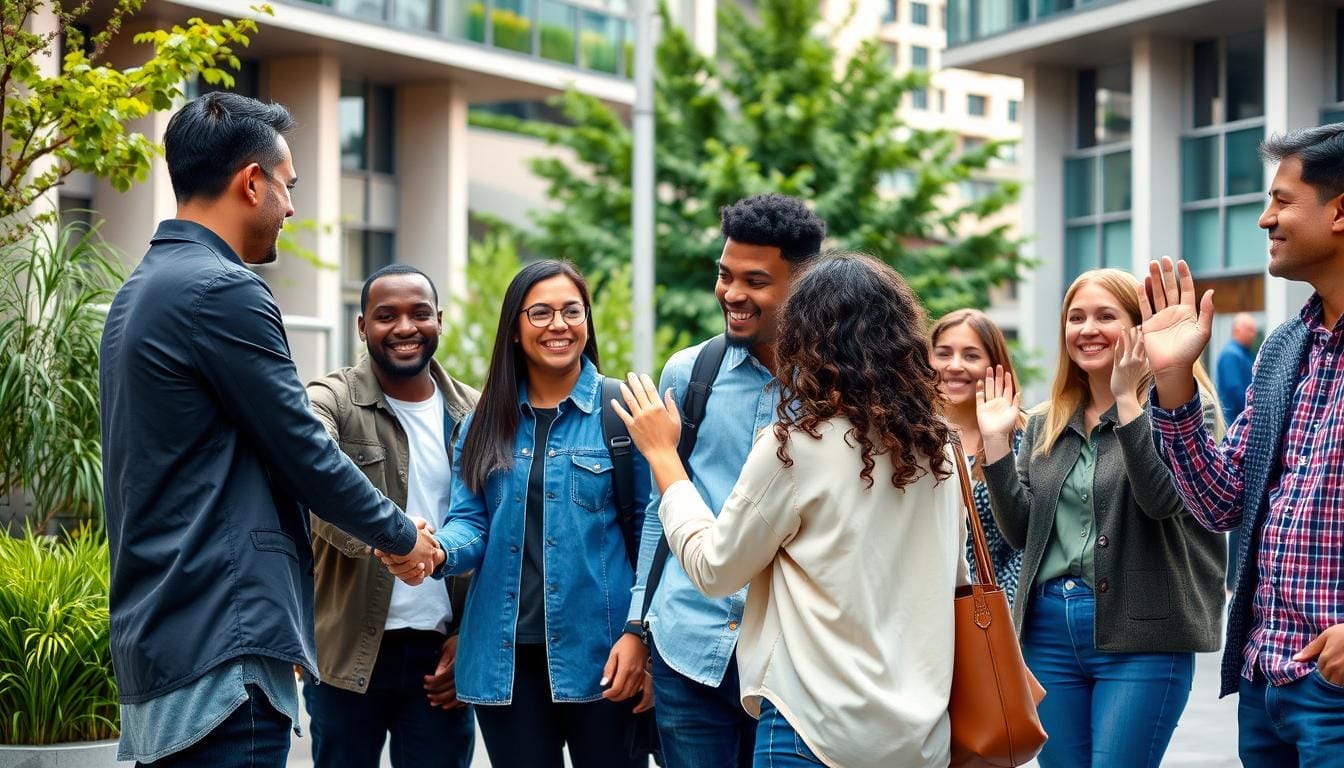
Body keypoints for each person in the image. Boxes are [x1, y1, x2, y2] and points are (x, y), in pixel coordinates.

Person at [99, 92, 441, 767]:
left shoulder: (142, 288)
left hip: (169, 635)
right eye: (287, 187)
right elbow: (302, 449)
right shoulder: (221, 288)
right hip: (222, 641)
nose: (290, 208)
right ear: (251, 181)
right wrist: (404, 538)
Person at [614, 253, 966, 767]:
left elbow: (715, 569)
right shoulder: (940, 448)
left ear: (807, 337)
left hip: (811, 730)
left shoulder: (797, 445)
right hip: (920, 737)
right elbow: (953, 579)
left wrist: (665, 460)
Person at [1139, 125, 1344, 765]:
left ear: (1339, 211)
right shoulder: (1285, 348)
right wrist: (1172, 383)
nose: (1265, 219)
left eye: (1282, 201)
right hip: (1267, 679)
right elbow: (1223, 502)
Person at [975, 268, 1225, 768]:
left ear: (1139, 328)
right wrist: (998, 444)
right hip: (1046, 630)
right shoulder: (1048, 421)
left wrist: (1129, 399)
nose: (1087, 329)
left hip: (1142, 631)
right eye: (1076, 318)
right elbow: (1022, 532)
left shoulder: (1183, 411)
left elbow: (1162, 500)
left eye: (1105, 316)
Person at [627, 193, 827, 767]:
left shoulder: (836, 392)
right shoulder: (691, 374)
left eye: (756, 281)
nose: (732, 294)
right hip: (687, 646)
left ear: (804, 283)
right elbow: (659, 505)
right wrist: (640, 626)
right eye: (725, 275)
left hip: (791, 660)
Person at [426, 260, 649, 767]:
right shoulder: (483, 422)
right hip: (506, 662)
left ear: (587, 321)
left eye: (572, 311)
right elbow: (472, 523)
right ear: (514, 329)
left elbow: (653, 534)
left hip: (605, 655)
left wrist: (642, 639)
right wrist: (438, 549)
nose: (558, 325)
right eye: (541, 312)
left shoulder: (625, 414)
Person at [303, 264, 478, 768]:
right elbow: (312, 481)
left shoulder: (476, 412)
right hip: (346, 650)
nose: (405, 327)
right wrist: (395, 539)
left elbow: (497, 529)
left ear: (439, 321)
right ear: (362, 327)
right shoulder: (330, 400)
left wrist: (468, 636)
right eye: (386, 316)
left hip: (439, 655)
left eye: (419, 314)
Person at [929, 308, 1025, 605]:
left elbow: (1026, 542)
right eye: (943, 353)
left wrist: (1007, 612)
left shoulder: (1022, 438)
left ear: (994, 365)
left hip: (991, 612)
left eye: (971, 356)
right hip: (920, 607)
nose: (955, 366)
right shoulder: (907, 434)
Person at [1215, 312, 1258, 591]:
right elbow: (1237, 391)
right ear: (1237, 329)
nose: (1253, 335)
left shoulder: (1241, 354)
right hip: (1241, 438)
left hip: (1249, 435)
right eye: (1250, 330)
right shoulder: (1232, 356)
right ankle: (1233, 578)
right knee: (1238, 516)